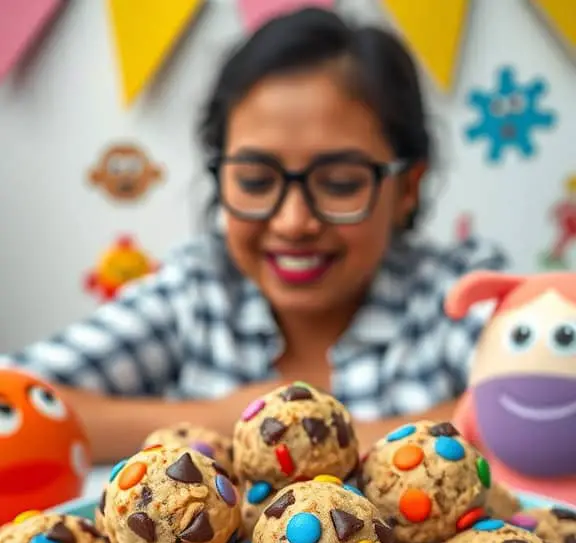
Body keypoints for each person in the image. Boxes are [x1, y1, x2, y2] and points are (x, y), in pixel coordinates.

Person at [9, 8, 506, 462]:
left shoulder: (456, 292)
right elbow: (12, 397)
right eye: (254, 181)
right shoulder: (197, 292)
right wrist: (229, 418)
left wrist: (316, 436)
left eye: (339, 184)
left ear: (406, 188)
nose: (293, 222)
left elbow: (545, 406)